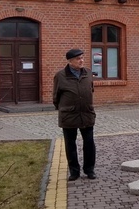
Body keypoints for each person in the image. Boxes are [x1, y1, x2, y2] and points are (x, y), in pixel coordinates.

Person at [53, 48, 97, 181]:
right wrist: (64, 109)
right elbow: (56, 97)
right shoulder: (60, 76)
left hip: (86, 114)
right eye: (78, 59)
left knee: (89, 143)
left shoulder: (88, 73)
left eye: (82, 57)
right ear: (70, 61)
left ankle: (89, 170)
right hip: (69, 116)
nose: (81, 60)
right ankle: (74, 171)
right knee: (70, 144)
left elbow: (91, 90)